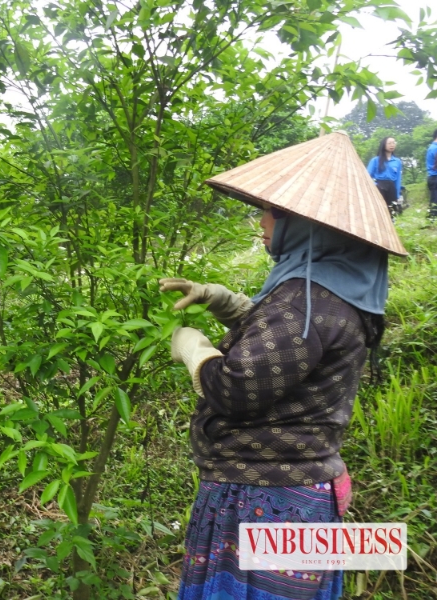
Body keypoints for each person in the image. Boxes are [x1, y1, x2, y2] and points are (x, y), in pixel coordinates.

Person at [162, 132, 406, 600]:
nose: (261, 221)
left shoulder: (304, 300)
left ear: (307, 224)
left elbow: (236, 389)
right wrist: (223, 300)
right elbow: (291, 346)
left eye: (271, 212)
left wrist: (195, 349)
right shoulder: (336, 289)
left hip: (264, 495)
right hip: (304, 484)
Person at [366, 136, 403, 219]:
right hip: (379, 186)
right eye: (389, 143)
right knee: (379, 210)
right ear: (384, 145)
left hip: (392, 187)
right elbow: (367, 176)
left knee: (391, 211)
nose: (392, 145)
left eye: (393, 143)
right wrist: (375, 185)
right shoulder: (375, 160)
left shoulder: (397, 161)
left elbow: (398, 179)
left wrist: (397, 194)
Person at [426, 128, 437, 222]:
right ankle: (432, 221)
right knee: (434, 202)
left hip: (433, 178)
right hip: (435, 177)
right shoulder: (435, 148)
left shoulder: (432, 147)